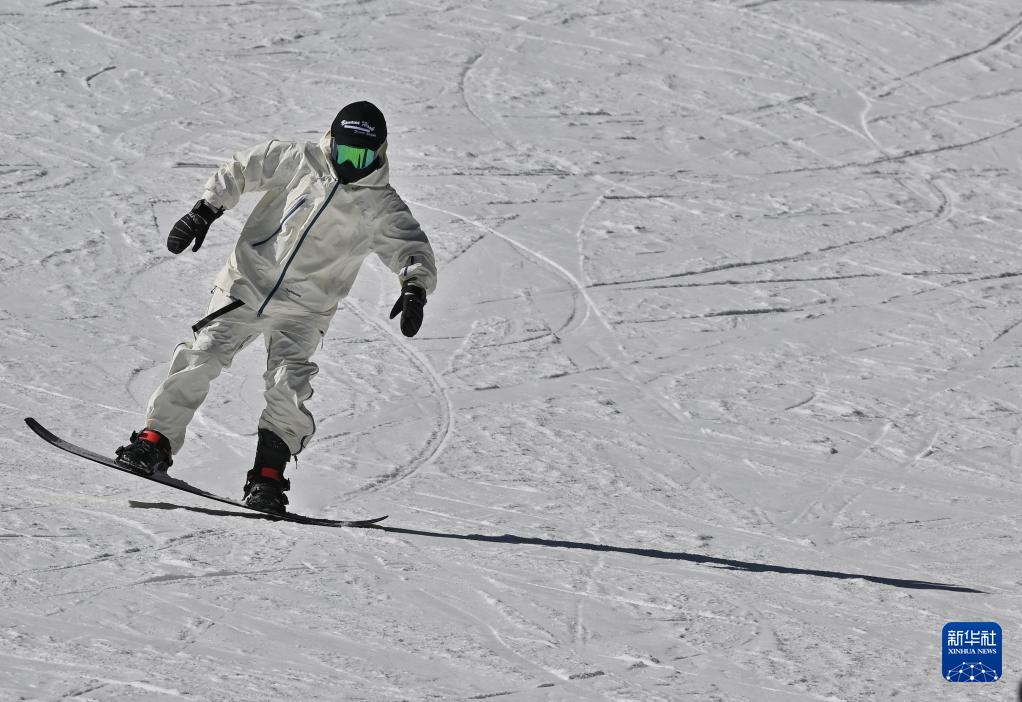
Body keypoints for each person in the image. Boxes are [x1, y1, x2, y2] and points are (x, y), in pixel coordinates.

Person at [114, 101, 437, 513]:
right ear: (331, 142)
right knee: (204, 353)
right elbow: (244, 168)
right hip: (246, 284)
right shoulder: (298, 160)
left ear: (379, 153)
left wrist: (414, 288)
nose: (349, 164)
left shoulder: (380, 204)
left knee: (288, 386)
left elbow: (411, 247)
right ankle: (154, 442)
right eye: (343, 153)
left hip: (306, 310)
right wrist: (206, 210)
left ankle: (268, 477)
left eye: (362, 157)